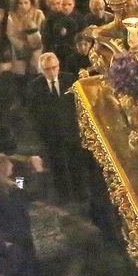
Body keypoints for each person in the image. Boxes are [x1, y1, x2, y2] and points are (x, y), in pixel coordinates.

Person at [26, 51, 84, 202]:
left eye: (54, 67)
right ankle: (64, 197)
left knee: (76, 164)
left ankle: (81, 195)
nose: (52, 72)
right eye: (47, 69)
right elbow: (33, 113)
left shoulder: (70, 80)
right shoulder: (34, 86)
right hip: (51, 134)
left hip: (71, 130)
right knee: (57, 166)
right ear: (41, 70)